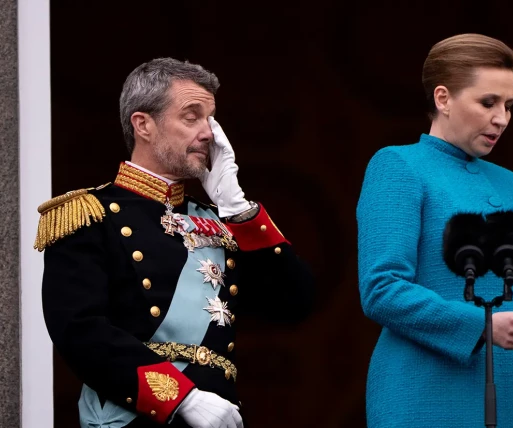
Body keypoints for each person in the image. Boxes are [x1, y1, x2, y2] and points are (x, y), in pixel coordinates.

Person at [35, 57, 315, 428]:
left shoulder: (223, 219)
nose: (209, 133)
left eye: (211, 119)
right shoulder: (89, 214)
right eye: (191, 116)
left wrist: (237, 207)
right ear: (143, 124)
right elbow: (80, 332)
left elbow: (294, 303)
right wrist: (181, 397)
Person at [356, 33, 513, 428]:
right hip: (424, 395)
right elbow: (382, 289)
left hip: (510, 395)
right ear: (443, 98)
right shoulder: (398, 166)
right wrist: (483, 325)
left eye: (509, 105)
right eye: (488, 102)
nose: (502, 118)